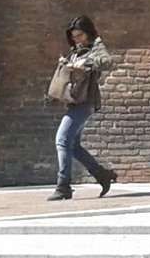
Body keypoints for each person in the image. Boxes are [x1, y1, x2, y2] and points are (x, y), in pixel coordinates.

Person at [48, 15, 117, 201]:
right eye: (74, 36)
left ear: (88, 33)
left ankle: (63, 186)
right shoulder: (76, 49)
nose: (77, 39)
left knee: (62, 140)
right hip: (75, 100)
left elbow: (108, 62)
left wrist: (86, 63)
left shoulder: (96, 46)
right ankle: (102, 175)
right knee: (74, 146)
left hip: (85, 102)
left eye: (80, 35)